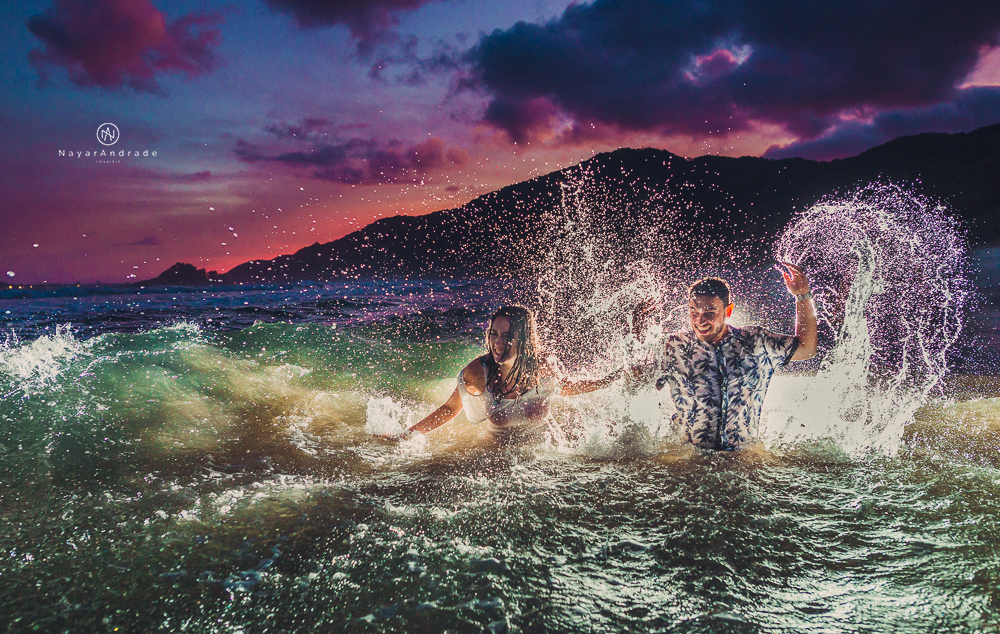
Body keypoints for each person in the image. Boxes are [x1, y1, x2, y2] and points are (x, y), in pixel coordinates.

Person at [633, 262, 817, 450]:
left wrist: (802, 296)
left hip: (742, 458)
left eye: (709, 312)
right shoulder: (675, 348)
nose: (700, 320)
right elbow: (634, 378)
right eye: (693, 312)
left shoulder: (756, 342)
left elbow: (806, 348)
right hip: (690, 459)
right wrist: (637, 332)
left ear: (728, 311)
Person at [384, 305, 620, 443]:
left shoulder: (543, 365)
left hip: (545, 454)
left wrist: (612, 378)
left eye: (507, 336)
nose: (497, 343)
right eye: (494, 333)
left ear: (525, 339)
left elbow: (565, 387)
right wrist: (406, 435)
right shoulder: (479, 372)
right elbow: (449, 409)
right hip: (497, 459)